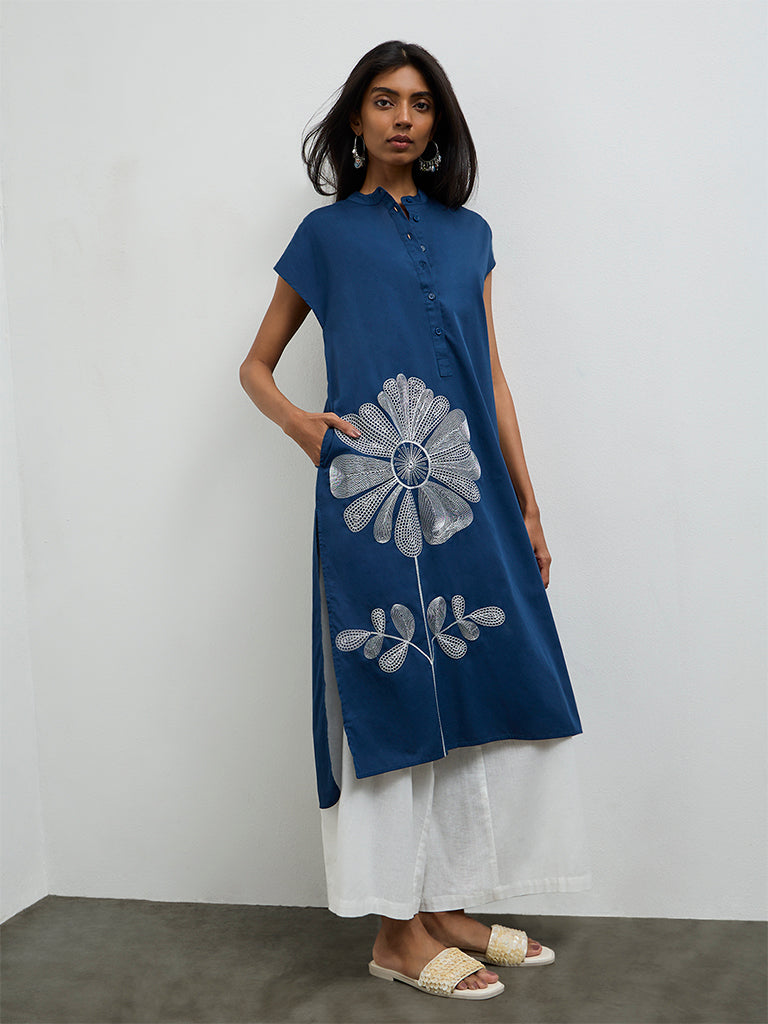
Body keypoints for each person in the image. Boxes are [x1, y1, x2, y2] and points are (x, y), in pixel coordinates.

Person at [239, 40, 591, 1002]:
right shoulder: (325, 236)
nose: (403, 118)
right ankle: (397, 932)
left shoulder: (470, 234)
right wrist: (301, 425)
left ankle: (445, 907)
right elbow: (255, 366)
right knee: (392, 689)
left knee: (473, 684)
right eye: (385, 101)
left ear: (439, 122)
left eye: (422, 103)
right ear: (356, 119)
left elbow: (492, 376)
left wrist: (527, 499)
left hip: (470, 494)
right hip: (373, 494)